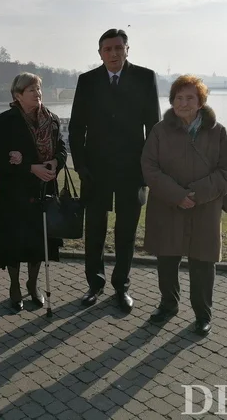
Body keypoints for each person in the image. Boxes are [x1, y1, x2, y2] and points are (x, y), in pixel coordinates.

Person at [69, 28, 160, 313]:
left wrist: (148, 171)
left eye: (118, 48)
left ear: (127, 49)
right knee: (94, 230)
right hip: (95, 172)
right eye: (107, 49)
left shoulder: (145, 78)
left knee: (126, 233)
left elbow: (153, 128)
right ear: (100, 53)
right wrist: (81, 166)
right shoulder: (87, 81)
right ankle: (94, 285)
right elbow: (76, 128)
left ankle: (122, 287)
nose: (113, 53)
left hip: (132, 172)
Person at [141, 75, 227, 336]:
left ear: (201, 102)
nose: (183, 103)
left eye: (190, 98)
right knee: (167, 259)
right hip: (167, 206)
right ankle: (168, 305)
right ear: (172, 101)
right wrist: (176, 195)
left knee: (203, 264)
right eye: (178, 98)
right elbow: (149, 168)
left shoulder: (218, 132)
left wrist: (196, 195)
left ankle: (203, 314)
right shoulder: (160, 130)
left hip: (205, 208)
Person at [0, 72, 67, 311]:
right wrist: (29, 167)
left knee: (38, 244)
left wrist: (56, 162)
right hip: (15, 195)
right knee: (13, 244)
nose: (38, 93)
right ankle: (14, 287)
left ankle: (32, 285)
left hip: (44, 193)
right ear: (18, 95)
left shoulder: (52, 119)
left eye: (39, 89)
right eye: (31, 90)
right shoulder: (7, 120)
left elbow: (62, 148)